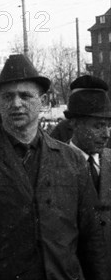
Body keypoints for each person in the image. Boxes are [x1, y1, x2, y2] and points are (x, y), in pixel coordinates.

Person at [0, 54, 109, 280]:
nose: (17, 104)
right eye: (8, 96)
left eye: (25, 95)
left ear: (41, 101)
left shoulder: (70, 159)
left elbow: (91, 237)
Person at [64, 75, 111, 255]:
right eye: (98, 126)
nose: (106, 134)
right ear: (74, 124)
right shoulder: (55, 164)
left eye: (108, 126)